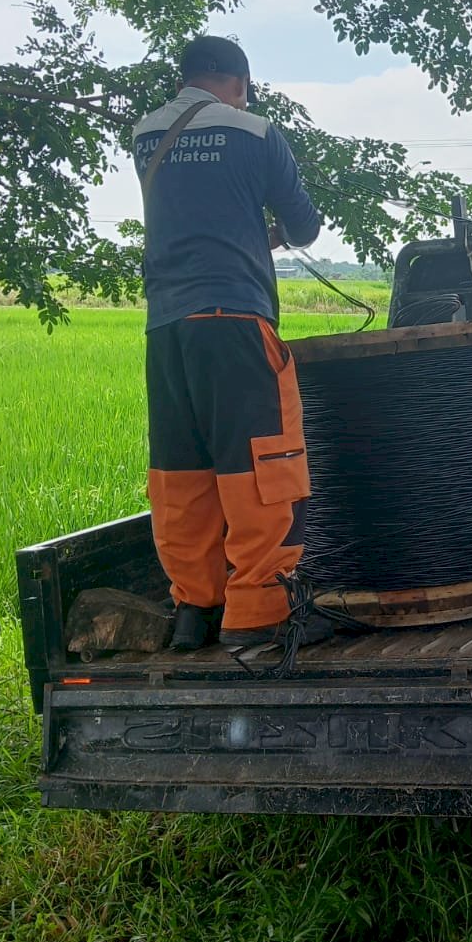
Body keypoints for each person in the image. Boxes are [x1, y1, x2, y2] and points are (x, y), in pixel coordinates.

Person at [132, 36, 331, 654]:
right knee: (260, 466)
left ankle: (195, 609)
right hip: (236, 323)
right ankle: (261, 614)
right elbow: (303, 224)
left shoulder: (145, 136)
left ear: (185, 78)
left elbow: (195, 206)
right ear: (241, 83)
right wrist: (270, 231)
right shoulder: (256, 133)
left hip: (167, 330)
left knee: (182, 471)